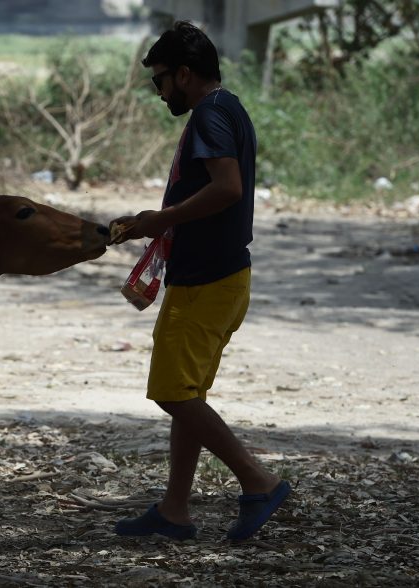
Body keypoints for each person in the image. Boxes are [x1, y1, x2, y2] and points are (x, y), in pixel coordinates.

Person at [110, 21, 290, 542]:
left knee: (171, 392)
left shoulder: (210, 114)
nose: (160, 92)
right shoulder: (228, 106)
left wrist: (161, 219)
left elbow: (227, 188)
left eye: (160, 81)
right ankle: (174, 510)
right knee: (186, 392)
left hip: (205, 284)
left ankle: (258, 482)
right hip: (225, 277)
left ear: (184, 74)